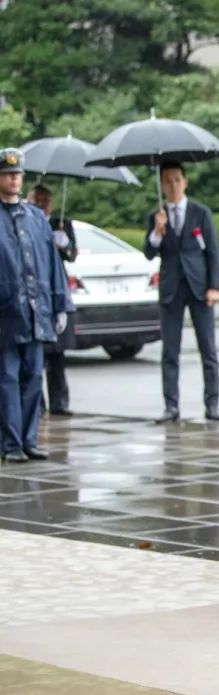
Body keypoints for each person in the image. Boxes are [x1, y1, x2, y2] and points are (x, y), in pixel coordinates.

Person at [0, 149, 74, 463]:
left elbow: (53, 265)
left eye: (17, 174)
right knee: (7, 380)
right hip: (5, 314)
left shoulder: (35, 218)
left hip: (35, 312)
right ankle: (11, 443)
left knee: (32, 378)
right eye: (7, 173)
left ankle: (29, 440)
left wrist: (60, 305)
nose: (14, 178)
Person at [143, 161, 219, 423]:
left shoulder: (200, 213)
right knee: (170, 350)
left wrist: (214, 286)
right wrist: (158, 232)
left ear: (185, 182)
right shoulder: (157, 215)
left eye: (177, 180)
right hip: (171, 288)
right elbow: (148, 252)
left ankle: (212, 403)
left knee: (208, 348)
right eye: (167, 181)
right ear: (161, 185)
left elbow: (212, 251)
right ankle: (171, 405)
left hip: (199, 287)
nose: (173, 185)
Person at [28, 185, 76, 416]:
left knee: (57, 354)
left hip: (55, 287)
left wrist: (64, 244)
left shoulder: (61, 223)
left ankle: (60, 402)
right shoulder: (26, 221)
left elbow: (72, 255)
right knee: (37, 354)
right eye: (37, 199)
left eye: (45, 200)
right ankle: (37, 405)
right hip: (36, 289)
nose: (41, 203)